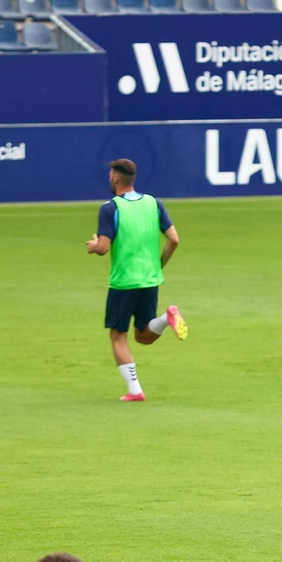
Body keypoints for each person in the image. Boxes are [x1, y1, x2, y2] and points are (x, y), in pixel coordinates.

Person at [85, 158, 184, 402]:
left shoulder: (110, 208)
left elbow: (103, 248)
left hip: (124, 282)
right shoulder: (153, 202)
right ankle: (166, 317)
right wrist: (157, 266)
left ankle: (135, 390)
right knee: (142, 335)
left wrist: (93, 245)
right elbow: (174, 239)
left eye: (110, 174)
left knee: (118, 336)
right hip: (150, 280)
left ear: (116, 178)